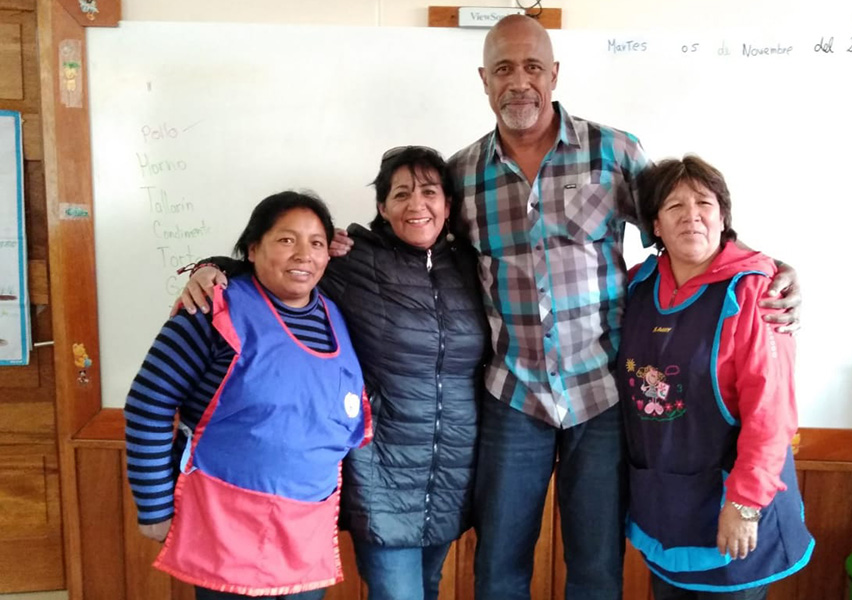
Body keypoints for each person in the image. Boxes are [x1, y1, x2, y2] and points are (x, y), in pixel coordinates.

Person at [434, 15, 803, 600]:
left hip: (602, 397)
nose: (519, 82)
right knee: (498, 566)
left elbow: (685, 226)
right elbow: (423, 255)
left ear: (554, 74)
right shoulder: (461, 176)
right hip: (513, 396)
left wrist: (768, 271)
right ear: (484, 80)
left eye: (533, 67)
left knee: (596, 567)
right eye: (504, 69)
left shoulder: (613, 151)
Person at [177, 147, 489, 600]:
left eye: (429, 192)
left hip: (453, 466)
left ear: (448, 204)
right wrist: (216, 268)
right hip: (383, 468)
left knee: (428, 587)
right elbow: (281, 269)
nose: (416, 204)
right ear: (382, 208)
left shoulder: (471, 265)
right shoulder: (351, 260)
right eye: (400, 194)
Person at [124, 192, 373, 600]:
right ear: (254, 248)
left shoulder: (335, 315)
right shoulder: (211, 309)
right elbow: (148, 404)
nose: (303, 255)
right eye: (286, 240)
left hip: (305, 533)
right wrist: (153, 508)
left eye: (315, 243)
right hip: (225, 527)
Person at [619, 155, 813, 599]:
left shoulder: (755, 293)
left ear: (723, 217)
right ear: (655, 226)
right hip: (663, 502)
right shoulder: (636, 287)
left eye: (704, 203)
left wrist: (744, 505)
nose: (692, 216)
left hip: (731, 505)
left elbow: (771, 412)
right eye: (674, 207)